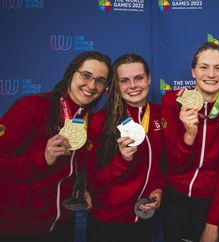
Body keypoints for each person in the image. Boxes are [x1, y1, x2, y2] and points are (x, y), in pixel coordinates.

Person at [0, 51, 111, 242]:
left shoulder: (89, 121)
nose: (91, 86)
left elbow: (75, 168)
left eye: (100, 81)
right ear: (71, 74)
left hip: (62, 225)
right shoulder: (32, 107)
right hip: (21, 227)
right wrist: (42, 159)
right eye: (86, 76)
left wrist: (81, 187)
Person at [161, 42, 219, 242]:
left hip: (212, 201)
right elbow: (173, 162)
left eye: (218, 68)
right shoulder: (173, 101)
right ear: (193, 71)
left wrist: (213, 224)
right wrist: (189, 135)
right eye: (204, 67)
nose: (211, 74)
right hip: (175, 198)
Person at [86, 53, 165, 242]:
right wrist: (122, 160)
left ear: (149, 79)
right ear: (116, 85)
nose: (132, 86)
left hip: (144, 218)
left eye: (139, 78)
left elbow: (165, 161)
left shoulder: (160, 115)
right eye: (124, 80)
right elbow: (92, 178)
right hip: (108, 222)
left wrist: (160, 188)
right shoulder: (100, 122)